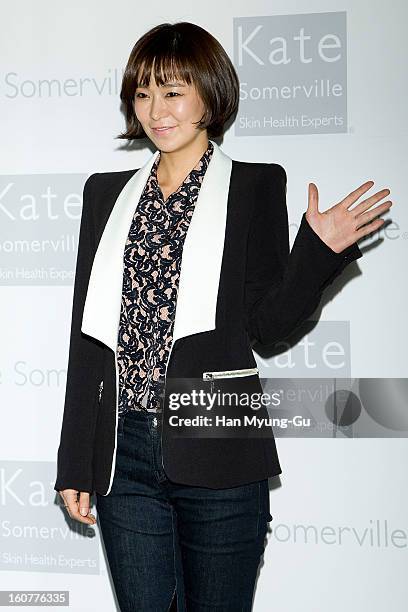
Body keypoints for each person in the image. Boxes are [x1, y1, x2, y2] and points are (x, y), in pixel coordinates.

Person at [54, 21, 392, 611]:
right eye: (143, 93)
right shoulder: (104, 194)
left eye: (173, 91)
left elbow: (267, 328)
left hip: (218, 437)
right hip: (123, 451)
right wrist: (74, 462)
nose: (156, 110)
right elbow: (87, 344)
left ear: (210, 96)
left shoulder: (255, 188)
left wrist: (316, 253)